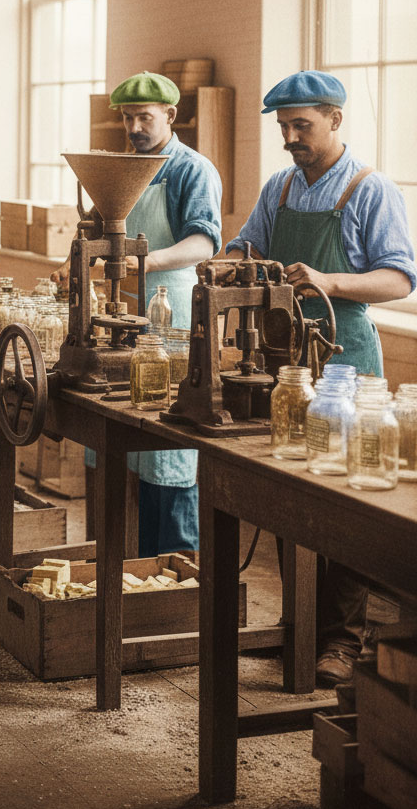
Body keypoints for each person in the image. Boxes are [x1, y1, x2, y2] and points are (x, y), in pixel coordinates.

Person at [227, 69, 416, 685]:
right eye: (283, 126)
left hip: (346, 361)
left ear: (336, 120)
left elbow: (399, 279)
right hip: (286, 362)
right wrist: (222, 262)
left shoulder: (371, 189)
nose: (290, 137)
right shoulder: (280, 188)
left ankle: (340, 641)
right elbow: (248, 247)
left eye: (301, 125)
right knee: (291, 492)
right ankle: (300, 627)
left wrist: (329, 281)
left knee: (347, 499)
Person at [52, 71, 223, 556]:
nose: (133, 127)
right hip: (120, 310)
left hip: (172, 313)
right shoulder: (122, 167)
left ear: (170, 116)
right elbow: (92, 230)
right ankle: (114, 562)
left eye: (144, 117)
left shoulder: (193, 169)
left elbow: (203, 242)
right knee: (115, 433)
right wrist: (71, 264)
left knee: (166, 445)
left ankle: (173, 571)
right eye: (127, 117)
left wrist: (139, 261)